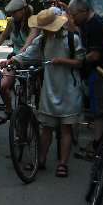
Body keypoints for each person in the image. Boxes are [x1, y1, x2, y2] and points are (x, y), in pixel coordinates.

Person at [9, 9, 85, 177]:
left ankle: (63, 163)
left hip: (69, 88)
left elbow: (80, 62)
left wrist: (62, 61)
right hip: (49, 88)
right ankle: (41, 159)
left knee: (66, 128)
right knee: (46, 128)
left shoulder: (72, 39)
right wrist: (13, 60)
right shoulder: (42, 40)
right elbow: (28, 54)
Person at [67, 0, 103, 156]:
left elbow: (95, 55)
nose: (73, 19)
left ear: (83, 11)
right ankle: (97, 144)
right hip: (93, 73)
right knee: (95, 111)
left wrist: (77, 61)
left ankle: (98, 148)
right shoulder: (85, 23)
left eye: (74, 15)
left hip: (100, 72)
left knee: (100, 111)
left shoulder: (95, 25)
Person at [0, 0, 33, 124]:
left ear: (23, 10)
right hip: (14, 58)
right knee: (3, 85)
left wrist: (17, 57)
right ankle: (9, 110)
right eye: (11, 13)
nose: (13, 15)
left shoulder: (33, 22)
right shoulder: (12, 22)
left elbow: (28, 45)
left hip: (31, 58)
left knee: (33, 88)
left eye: (15, 12)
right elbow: (3, 36)